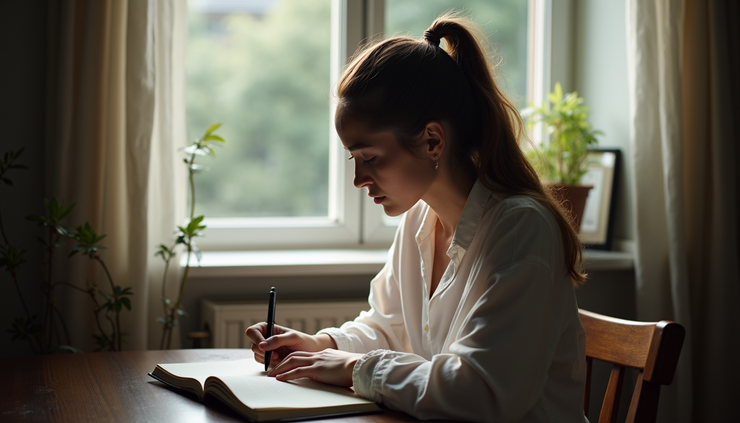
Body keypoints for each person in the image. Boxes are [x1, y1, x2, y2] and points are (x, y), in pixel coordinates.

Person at [246, 12, 588, 423]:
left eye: (369, 157)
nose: (358, 179)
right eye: (353, 159)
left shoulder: (521, 229)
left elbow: (482, 392)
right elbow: (388, 327)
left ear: (432, 140)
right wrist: (320, 344)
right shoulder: (419, 220)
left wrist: (354, 368)